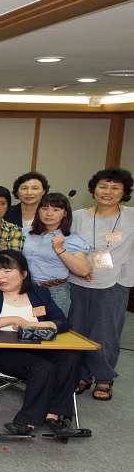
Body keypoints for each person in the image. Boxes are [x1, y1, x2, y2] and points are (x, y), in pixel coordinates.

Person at [0, 250, 79, 435]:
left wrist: (42, 325)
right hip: (3, 351)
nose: (0, 276)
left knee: (71, 356)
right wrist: (11, 320)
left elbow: (63, 323)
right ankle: (27, 422)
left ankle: (54, 415)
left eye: (7, 271)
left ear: (24, 274)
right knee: (43, 367)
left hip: (37, 346)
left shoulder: (39, 293)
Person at [69, 167, 134, 402]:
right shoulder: (77, 217)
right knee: (77, 329)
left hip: (115, 281)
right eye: (103, 186)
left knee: (107, 333)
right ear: (94, 189)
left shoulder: (131, 217)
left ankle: (104, 378)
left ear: (124, 192)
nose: (108, 192)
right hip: (79, 280)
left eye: (115, 188)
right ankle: (82, 375)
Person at [22, 193, 91, 315]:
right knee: (23, 326)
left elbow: (84, 271)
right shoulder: (25, 233)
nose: (49, 213)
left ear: (65, 213)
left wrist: (60, 249)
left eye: (56, 210)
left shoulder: (71, 239)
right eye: (45, 208)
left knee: (52, 329)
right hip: (25, 289)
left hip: (54, 291)